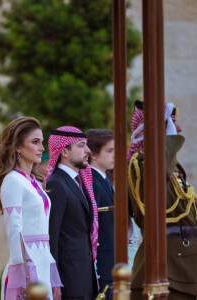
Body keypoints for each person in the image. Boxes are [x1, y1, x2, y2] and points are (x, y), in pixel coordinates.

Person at [128, 100, 197, 300]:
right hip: (168, 264)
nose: (179, 129)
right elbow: (158, 176)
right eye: (172, 123)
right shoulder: (141, 162)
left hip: (183, 264)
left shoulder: (169, 165)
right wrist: (168, 140)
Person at [0, 117, 62, 300]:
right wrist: (24, 276)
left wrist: (53, 277)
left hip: (43, 266)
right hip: (27, 271)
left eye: (42, 142)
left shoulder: (34, 181)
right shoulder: (12, 181)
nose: (42, 148)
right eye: (35, 142)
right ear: (17, 147)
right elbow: (15, 230)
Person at [46, 126, 99, 300]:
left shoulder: (77, 182)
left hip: (83, 277)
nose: (88, 151)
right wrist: (54, 281)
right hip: (68, 280)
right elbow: (52, 236)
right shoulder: (56, 184)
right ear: (65, 152)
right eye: (81, 145)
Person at [86, 129, 114, 300]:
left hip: (111, 260)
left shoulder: (103, 180)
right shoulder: (92, 182)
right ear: (93, 154)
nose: (114, 156)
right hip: (101, 263)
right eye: (109, 151)